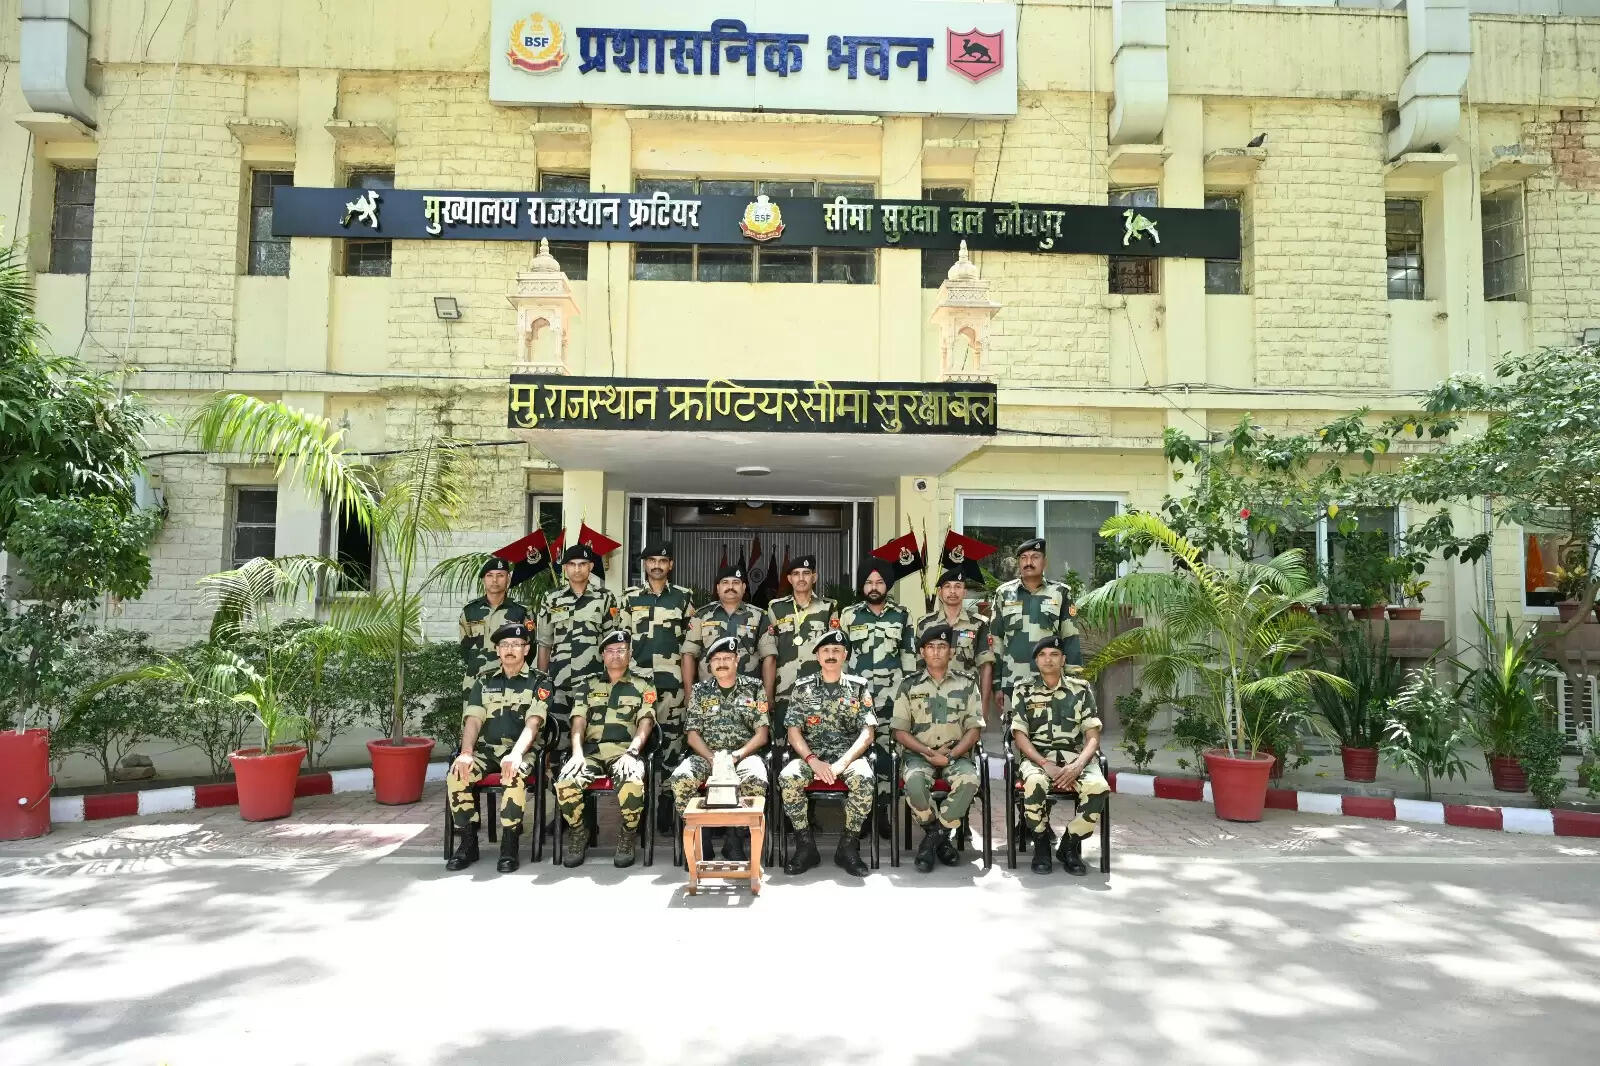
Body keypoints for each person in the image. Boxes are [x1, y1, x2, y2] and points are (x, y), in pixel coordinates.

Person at [445, 622, 553, 873]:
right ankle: (468, 842)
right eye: (504, 644)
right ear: (497, 650)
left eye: (516, 644)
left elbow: (534, 723)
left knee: (513, 773)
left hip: (523, 752)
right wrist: (466, 753)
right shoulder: (484, 681)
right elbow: (473, 720)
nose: (510, 649)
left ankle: (509, 844)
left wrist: (516, 754)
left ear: (526, 649)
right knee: (457, 774)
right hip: (486, 751)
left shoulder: (540, 682)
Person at [555, 630, 657, 868]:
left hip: (624, 751)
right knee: (566, 781)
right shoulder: (587, 685)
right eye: (610, 651)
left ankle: (628, 834)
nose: (615, 655)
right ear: (602, 655)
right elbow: (578, 722)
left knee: (632, 782)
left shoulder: (644, 685)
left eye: (621, 650)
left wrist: (633, 752)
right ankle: (579, 831)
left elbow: (646, 722)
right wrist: (576, 754)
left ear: (630, 654)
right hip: (590, 753)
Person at [1009, 635, 1108, 876]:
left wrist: (1078, 765)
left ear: (1063, 659)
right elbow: (1019, 735)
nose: (1048, 659)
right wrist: (1044, 763)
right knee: (1034, 783)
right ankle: (1041, 843)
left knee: (1098, 787)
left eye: (1054, 654)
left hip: (1075, 757)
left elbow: (1092, 735)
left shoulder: (1081, 689)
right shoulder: (1023, 690)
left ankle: (1069, 845)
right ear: (1036, 661)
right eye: (1042, 655)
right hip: (1038, 758)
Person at [779, 630, 875, 877]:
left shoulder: (859, 687)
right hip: (811, 757)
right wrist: (812, 761)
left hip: (848, 758)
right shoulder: (803, 688)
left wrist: (843, 762)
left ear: (845, 655)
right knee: (788, 777)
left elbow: (867, 733)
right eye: (826, 651)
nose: (831, 655)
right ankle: (805, 846)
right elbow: (793, 732)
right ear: (818, 656)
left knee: (865, 778)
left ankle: (848, 846)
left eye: (836, 651)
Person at [890, 624, 984, 872]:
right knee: (914, 784)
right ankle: (941, 839)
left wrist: (950, 755)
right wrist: (929, 753)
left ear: (951, 651)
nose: (936, 651)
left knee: (970, 781)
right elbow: (900, 731)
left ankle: (933, 839)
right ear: (922, 652)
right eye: (930, 647)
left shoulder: (967, 684)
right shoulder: (908, 685)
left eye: (942, 646)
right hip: (919, 756)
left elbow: (974, 729)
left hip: (957, 755)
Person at [668, 635, 770, 861]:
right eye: (716, 659)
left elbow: (762, 734)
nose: (721, 663)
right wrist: (712, 759)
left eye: (727, 658)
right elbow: (692, 734)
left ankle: (735, 840)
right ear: (710, 664)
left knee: (756, 779)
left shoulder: (754, 688)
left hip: (744, 755)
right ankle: (700, 840)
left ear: (737, 660)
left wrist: (736, 756)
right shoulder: (700, 691)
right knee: (681, 778)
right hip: (707, 755)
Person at [836, 559, 916, 837]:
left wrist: (909, 698)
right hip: (857, 698)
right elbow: (840, 658)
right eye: (869, 582)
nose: (874, 587)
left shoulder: (902, 615)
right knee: (857, 752)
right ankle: (861, 813)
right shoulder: (849, 615)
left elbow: (908, 658)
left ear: (887, 585)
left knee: (887, 754)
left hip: (892, 699)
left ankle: (882, 811)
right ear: (862, 586)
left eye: (879, 582)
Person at [622, 542, 695, 828]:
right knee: (636, 743)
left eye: (662, 561)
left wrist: (689, 688)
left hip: (672, 686)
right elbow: (621, 642)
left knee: (672, 745)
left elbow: (691, 646)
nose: (656, 565)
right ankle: (637, 806)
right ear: (644, 564)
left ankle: (666, 803)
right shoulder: (629, 598)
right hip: (636, 686)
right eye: (651, 560)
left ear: (670, 565)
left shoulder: (683, 598)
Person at [537, 542, 622, 744]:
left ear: (591, 566)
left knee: (593, 737)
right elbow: (544, 643)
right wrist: (542, 680)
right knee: (557, 740)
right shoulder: (551, 599)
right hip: (559, 682)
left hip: (594, 682)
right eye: (572, 564)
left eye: (582, 564)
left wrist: (613, 681)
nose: (577, 569)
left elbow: (612, 645)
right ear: (565, 568)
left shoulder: (605, 598)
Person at [988, 538, 1081, 719]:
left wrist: (1073, 681)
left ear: (1044, 562)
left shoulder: (1060, 593)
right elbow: (996, 640)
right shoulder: (1004, 594)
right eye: (1023, 558)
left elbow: (1070, 638)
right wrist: (997, 683)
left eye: (1035, 557)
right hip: (1013, 682)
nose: (1028, 562)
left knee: (1052, 731)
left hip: (1052, 681)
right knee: (1015, 730)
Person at [758, 554, 838, 722]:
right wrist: (768, 694)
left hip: (818, 691)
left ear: (814, 577)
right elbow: (770, 654)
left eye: (806, 573)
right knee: (782, 737)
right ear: (789, 579)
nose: (801, 578)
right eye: (796, 574)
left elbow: (835, 652)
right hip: (784, 692)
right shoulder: (776, 608)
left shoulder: (828, 607)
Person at [914, 567, 995, 721]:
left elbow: (986, 667)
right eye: (947, 587)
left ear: (964, 592)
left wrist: (984, 706)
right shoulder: (925, 624)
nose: (952, 591)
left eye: (958, 586)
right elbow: (918, 667)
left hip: (967, 702)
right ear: (940, 592)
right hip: (932, 701)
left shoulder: (978, 624)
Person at [456, 557, 531, 701]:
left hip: (511, 681)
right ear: (483, 580)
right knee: (473, 714)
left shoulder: (521, 611)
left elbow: (529, 647)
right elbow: (464, 648)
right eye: (490, 575)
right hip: (476, 680)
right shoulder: (470, 611)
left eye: (500, 575)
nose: (494, 580)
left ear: (508, 579)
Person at [681, 561, 765, 686]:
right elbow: (688, 655)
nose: (730, 587)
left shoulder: (759, 616)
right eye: (725, 582)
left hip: (748, 692)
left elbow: (769, 657)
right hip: (708, 692)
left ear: (743, 588)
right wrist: (689, 693)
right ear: (718, 588)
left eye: (735, 582)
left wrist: (767, 694)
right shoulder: (701, 616)